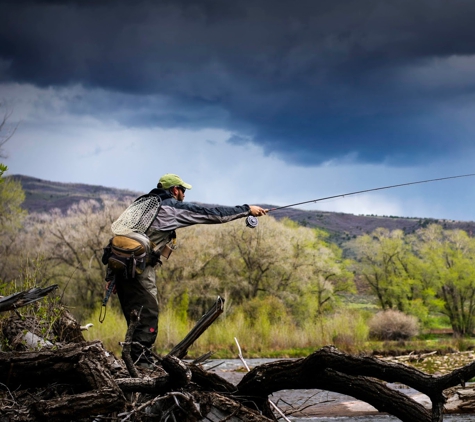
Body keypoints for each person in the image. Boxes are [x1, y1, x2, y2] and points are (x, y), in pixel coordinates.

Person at [112, 173, 267, 365]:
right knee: (148, 316)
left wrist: (111, 279)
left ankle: (133, 364)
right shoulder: (170, 207)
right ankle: (142, 367)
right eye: (183, 190)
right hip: (140, 271)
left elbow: (120, 240)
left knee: (134, 319)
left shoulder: (142, 205)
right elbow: (211, 214)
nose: (184, 195)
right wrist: (246, 210)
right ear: (174, 190)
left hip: (120, 271)